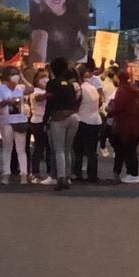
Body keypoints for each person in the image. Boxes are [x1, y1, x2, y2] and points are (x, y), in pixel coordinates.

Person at [29, 0, 87, 64]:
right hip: (54, 68)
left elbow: (81, 36)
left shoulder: (73, 9)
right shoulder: (41, 21)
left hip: (79, 61)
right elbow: (38, 55)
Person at [42, 58, 80, 190]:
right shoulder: (69, 84)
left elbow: (49, 102)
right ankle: (68, 176)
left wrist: (45, 119)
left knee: (59, 150)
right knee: (68, 148)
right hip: (73, 116)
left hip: (58, 117)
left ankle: (61, 178)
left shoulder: (52, 83)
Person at [106, 69, 139, 184]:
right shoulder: (133, 89)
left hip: (127, 124)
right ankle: (130, 173)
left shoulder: (122, 90)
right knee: (130, 149)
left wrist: (109, 111)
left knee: (127, 150)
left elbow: (119, 106)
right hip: (137, 123)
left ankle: (132, 174)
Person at [0, 67, 33, 184]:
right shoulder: (0, 89)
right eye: (13, 74)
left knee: (21, 149)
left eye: (16, 74)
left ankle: (24, 174)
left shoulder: (20, 88)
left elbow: (31, 88)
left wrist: (22, 77)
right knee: (7, 148)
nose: (15, 76)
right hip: (7, 121)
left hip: (19, 121)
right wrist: (7, 101)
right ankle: (6, 173)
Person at [71, 65, 103, 183]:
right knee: (92, 151)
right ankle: (92, 175)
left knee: (78, 149)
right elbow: (99, 103)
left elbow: (76, 104)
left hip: (83, 120)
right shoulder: (93, 88)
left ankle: (77, 172)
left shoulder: (80, 89)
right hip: (96, 120)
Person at [28, 68, 51, 181]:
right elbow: (38, 98)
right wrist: (48, 94)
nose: (44, 79)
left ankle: (50, 172)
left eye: (46, 76)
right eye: (42, 77)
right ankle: (35, 171)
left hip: (47, 121)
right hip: (38, 121)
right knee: (39, 147)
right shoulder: (35, 91)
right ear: (36, 80)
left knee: (49, 148)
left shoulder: (47, 90)